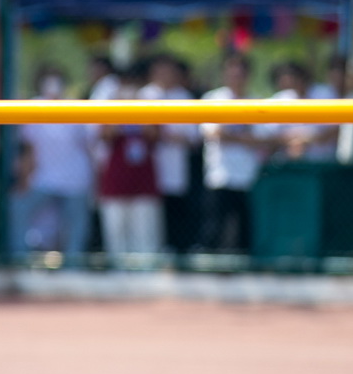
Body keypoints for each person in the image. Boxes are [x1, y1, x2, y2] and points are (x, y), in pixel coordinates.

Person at [11, 64, 94, 259]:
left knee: (76, 226)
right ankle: (20, 258)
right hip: (44, 178)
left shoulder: (75, 106)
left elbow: (88, 146)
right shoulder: (33, 106)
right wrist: (24, 179)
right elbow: (29, 148)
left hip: (76, 179)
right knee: (19, 209)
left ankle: (73, 266)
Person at [200, 53, 268, 253]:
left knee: (244, 232)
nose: (236, 77)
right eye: (231, 72)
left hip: (248, 176)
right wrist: (245, 137)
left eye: (240, 73)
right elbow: (213, 133)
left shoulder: (256, 101)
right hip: (219, 174)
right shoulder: (213, 98)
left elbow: (263, 139)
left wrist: (231, 136)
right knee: (214, 229)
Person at [95, 65, 162, 262]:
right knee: (116, 231)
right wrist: (120, 111)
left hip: (143, 180)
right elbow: (105, 135)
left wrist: (138, 111)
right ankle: (119, 271)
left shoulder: (148, 107)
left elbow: (154, 134)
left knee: (145, 231)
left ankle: (146, 271)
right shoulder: (110, 108)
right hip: (115, 180)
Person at [140, 53, 198, 254]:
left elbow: (193, 137)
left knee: (175, 213)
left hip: (176, 167)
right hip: (145, 168)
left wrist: (163, 135)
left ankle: (175, 252)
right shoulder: (144, 95)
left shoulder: (184, 96)